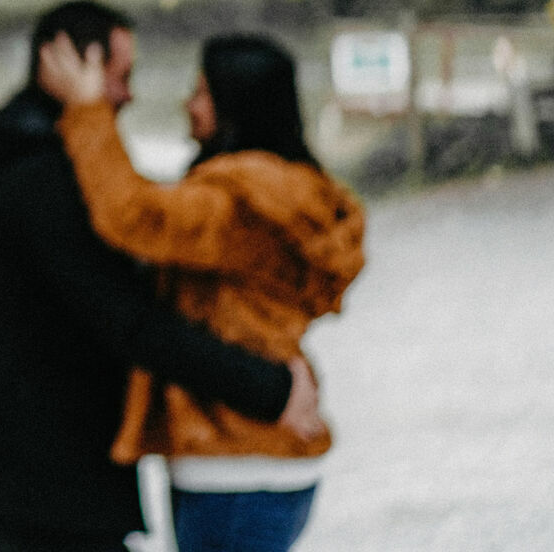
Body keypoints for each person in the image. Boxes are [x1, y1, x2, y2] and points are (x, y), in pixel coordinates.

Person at [0, 0, 322, 552]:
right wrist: (271, 389)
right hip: (44, 474)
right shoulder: (46, 176)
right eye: (120, 77)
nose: (131, 95)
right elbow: (129, 317)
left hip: (17, 463)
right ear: (72, 65)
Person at [38, 31, 365, 552]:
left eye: (202, 92)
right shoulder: (291, 188)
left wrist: (86, 111)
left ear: (237, 105)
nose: (189, 106)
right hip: (262, 461)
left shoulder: (244, 204)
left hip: (234, 459)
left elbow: (134, 216)